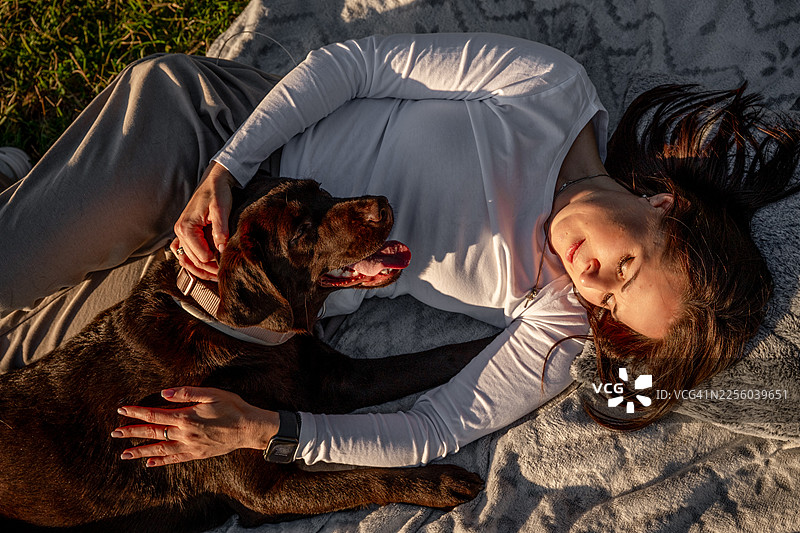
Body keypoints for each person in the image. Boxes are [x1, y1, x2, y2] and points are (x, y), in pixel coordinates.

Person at [1, 34, 797, 469]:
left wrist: (267, 431)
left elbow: (439, 424)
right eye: (628, 265)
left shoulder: (557, 316)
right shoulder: (550, 90)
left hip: (251, 289)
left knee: (20, 363)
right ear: (664, 202)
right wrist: (225, 170)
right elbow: (353, 67)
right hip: (218, 139)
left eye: (612, 305)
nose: (593, 280)